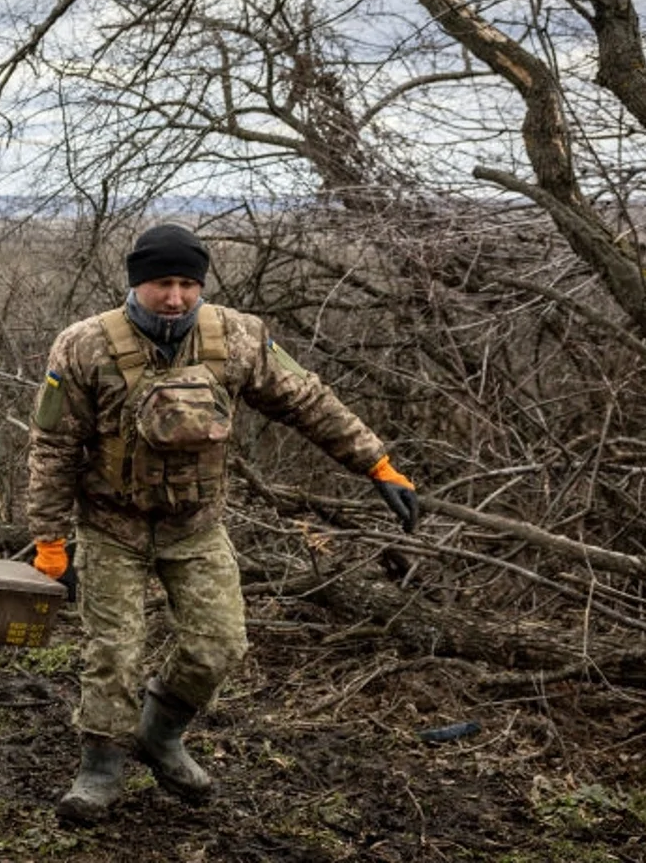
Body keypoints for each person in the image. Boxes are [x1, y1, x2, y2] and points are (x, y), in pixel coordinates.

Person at [25, 224, 420, 824]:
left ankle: (159, 736)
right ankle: (100, 768)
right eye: (163, 283)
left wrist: (376, 462)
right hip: (112, 527)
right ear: (137, 283)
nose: (177, 298)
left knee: (219, 645)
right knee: (114, 652)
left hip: (197, 526)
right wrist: (51, 540)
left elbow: (307, 400)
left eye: (188, 283)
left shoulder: (237, 337)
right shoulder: (84, 346)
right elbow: (52, 446)